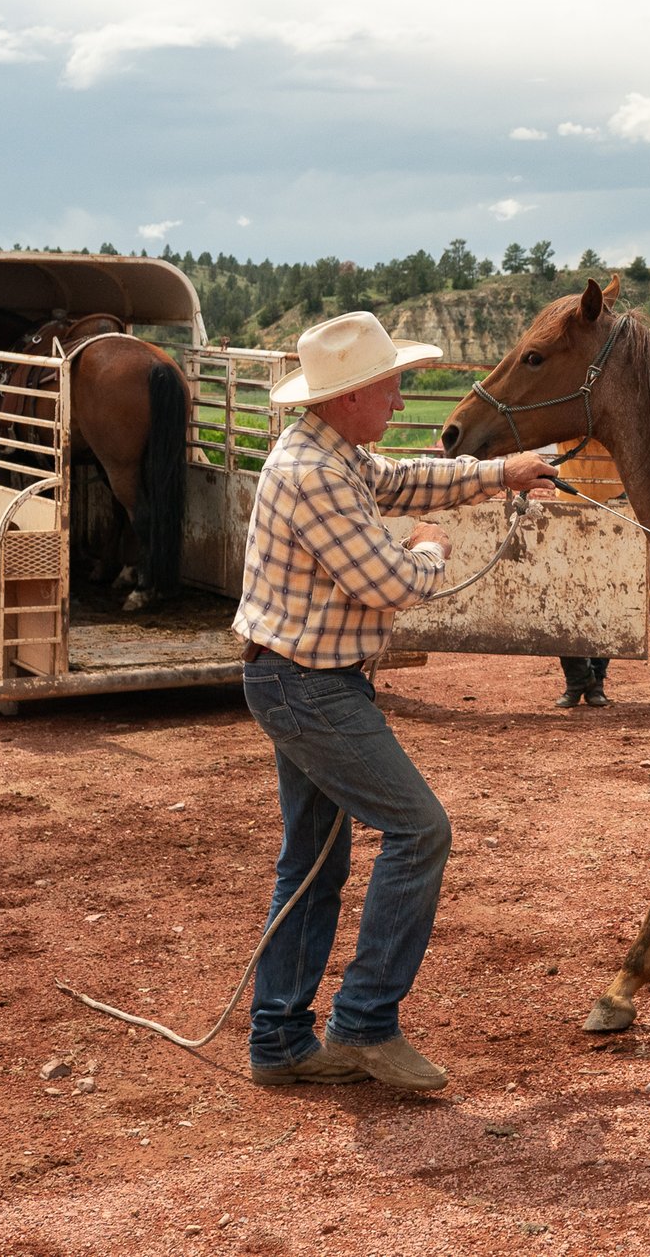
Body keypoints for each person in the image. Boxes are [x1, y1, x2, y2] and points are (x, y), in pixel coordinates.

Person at [235, 310, 553, 1092]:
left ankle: (281, 1037)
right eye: (391, 385)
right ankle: (365, 1022)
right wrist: (430, 547)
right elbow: (391, 582)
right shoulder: (314, 474)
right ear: (349, 398)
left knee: (313, 861)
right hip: (308, 683)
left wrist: (498, 472)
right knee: (419, 829)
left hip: (299, 676)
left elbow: (406, 478)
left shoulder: (331, 453)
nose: (401, 400)